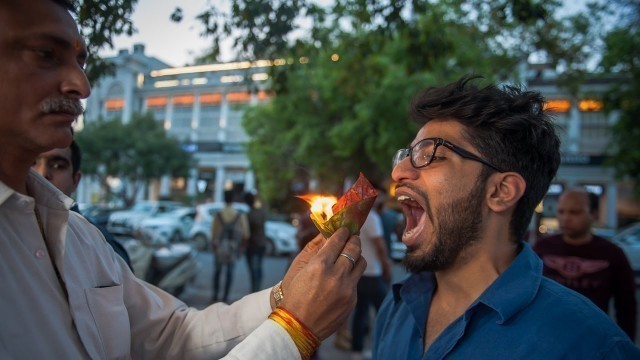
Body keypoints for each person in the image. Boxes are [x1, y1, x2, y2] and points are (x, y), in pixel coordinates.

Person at [0, 0, 366, 358]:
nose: (81, 84)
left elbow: (173, 332)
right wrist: (292, 331)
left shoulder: (79, 236)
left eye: (81, 62)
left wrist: (285, 294)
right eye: (46, 54)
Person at [372, 75, 640, 358]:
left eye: (431, 154)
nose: (398, 172)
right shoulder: (396, 307)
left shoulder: (590, 347)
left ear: (501, 191)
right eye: (406, 155)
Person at [533, 188, 637, 340]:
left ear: (593, 214)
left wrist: (625, 348)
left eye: (575, 212)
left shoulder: (612, 253)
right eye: (561, 211)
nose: (565, 218)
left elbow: (626, 306)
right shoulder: (542, 248)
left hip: (591, 339)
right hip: (545, 336)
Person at [32, 140, 133, 270]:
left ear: (75, 180)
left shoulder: (101, 245)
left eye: (57, 165)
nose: (42, 174)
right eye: (32, 163)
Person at [350, 206, 392, 358]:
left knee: (360, 313)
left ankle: (356, 351)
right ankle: (383, 351)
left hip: (359, 273)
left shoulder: (355, 216)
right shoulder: (372, 217)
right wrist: (386, 265)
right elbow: (380, 246)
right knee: (386, 313)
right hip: (373, 273)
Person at [211, 190, 249, 303]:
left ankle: (215, 295)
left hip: (220, 246)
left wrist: (213, 244)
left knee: (217, 271)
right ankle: (225, 296)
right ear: (233, 199)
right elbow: (246, 234)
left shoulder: (218, 214)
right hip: (233, 246)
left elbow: (213, 232)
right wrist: (242, 246)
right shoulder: (239, 214)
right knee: (230, 272)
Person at [244, 192, 268, 293]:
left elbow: (246, 232)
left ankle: (255, 290)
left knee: (254, 269)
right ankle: (255, 290)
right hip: (260, 244)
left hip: (253, 245)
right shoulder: (259, 212)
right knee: (256, 269)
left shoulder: (250, 214)